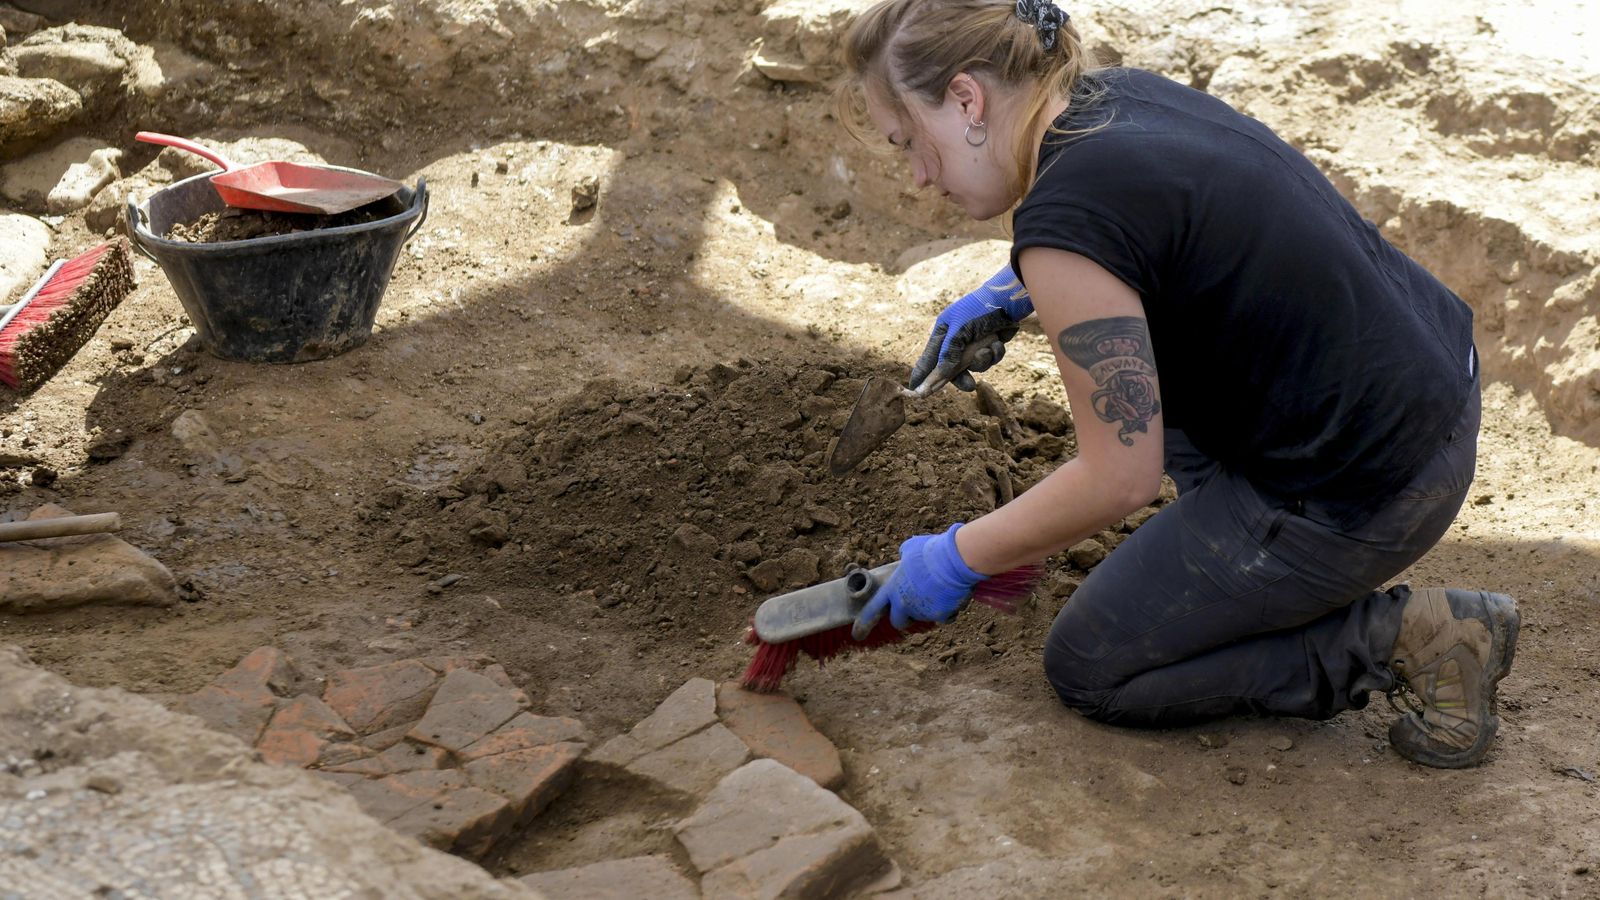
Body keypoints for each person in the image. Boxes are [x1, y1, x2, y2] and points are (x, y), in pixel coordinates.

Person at [836, 0, 1518, 768]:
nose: (919, 175)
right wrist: (1017, 287)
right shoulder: (1110, 98)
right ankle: (1249, 568)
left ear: (967, 99)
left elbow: (1117, 479)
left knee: (1094, 665)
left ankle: (1412, 637)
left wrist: (955, 559)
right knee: (1163, 387)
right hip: (1429, 382)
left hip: (1374, 484)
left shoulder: (1065, 223)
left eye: (909, 143)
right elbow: (1157, 225)